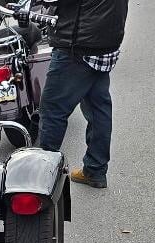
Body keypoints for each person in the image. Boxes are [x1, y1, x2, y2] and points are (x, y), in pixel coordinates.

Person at [36, 0, 129, 189]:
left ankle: (40, 180)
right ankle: (95, 170)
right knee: (98, 107)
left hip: (78, 42)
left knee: (52, 109)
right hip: (104, 40)